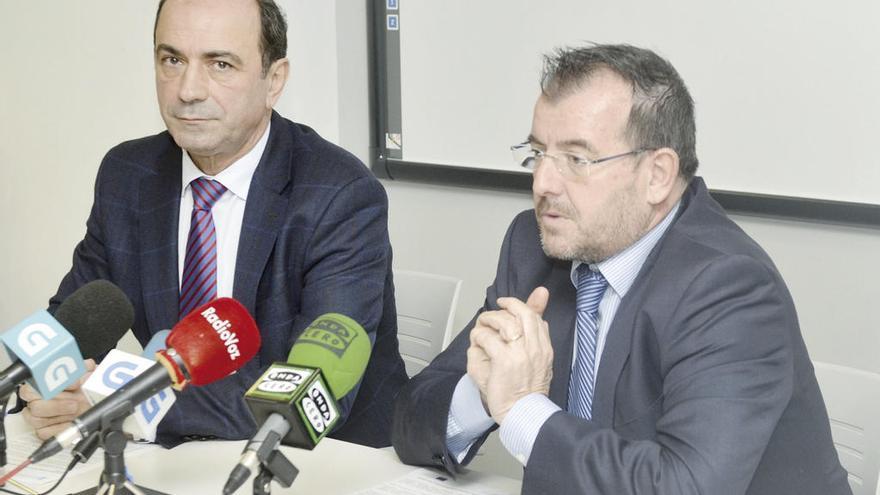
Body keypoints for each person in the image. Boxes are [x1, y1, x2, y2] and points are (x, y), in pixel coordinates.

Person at [391, 44, 851, 494]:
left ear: (657, 175)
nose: (542, 183)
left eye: (576, 159)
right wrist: (487, 393)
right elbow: (411, 419)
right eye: (537, 153)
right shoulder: (535, 246)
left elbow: (685, 486)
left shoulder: (729, 286)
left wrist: (520, 409)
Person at [20, 0, 407, 448]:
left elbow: (307, 395)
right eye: (172, 60)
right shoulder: (129, 174)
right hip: (172, 460)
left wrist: (122, 405)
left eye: (220, 64)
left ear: (274, 81)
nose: (187, 90)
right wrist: (39, 388)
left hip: (329, 464)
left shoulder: (339, 193)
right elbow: (69, 326)